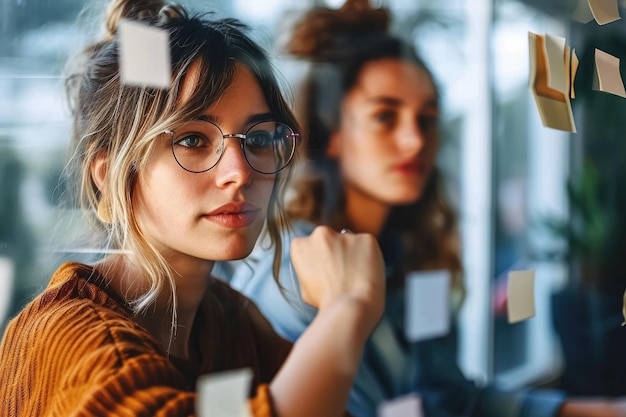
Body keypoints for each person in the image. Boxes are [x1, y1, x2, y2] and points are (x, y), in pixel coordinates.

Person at [214, 1, 626, 416]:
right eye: (386, 117)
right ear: (331, 134)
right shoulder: (297, 272)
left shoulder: (410, 257)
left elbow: (453, 399)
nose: (415, 140)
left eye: (426, 119)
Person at [0, 1, 387, 416]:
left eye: (257, 139)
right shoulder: (70, 337)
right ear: (109, 175)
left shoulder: (227, 321)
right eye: (191, 140)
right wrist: (346, 307)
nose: (239, 172)